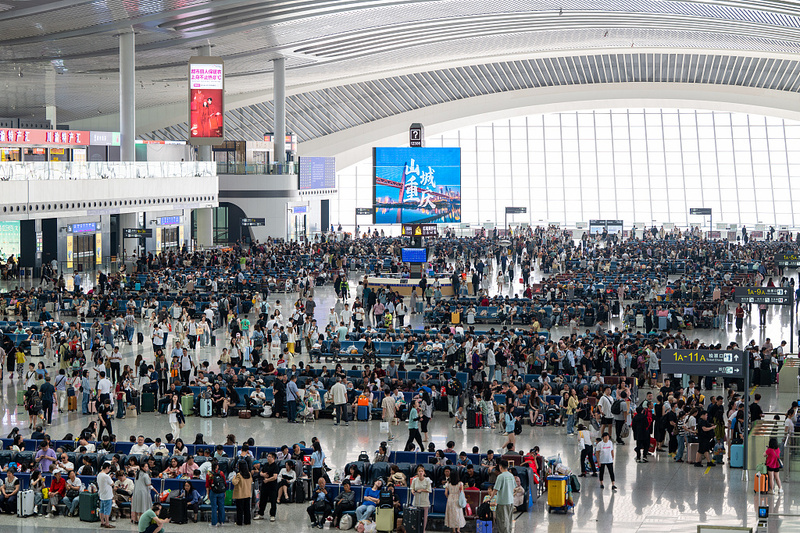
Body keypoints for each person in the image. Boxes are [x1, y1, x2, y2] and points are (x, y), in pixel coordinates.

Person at [254, 452, 279, 521]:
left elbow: (275, 477)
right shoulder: (265, 465)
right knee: (262, 500)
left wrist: (267, 480)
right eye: (267, 456)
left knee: (273, 501)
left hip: (272, 486)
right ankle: (261, 514)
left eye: (269, 456)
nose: (268, 458)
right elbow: (261, 472)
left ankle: (272, 515)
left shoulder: (275, 466)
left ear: (273, 458)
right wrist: (263, 475)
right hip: (264, 485)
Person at [493, 460, 514, 533]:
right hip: (510, 501)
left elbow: (496, 489)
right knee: (509, 520)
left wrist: (491, 498)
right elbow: (513, 488)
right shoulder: (511, 475)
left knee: (502, 521)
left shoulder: (500, 476)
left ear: (500, 466)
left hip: (502, 502)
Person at [410, 465, 432, 531]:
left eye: (422, 471)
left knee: (424, 517)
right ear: (417, 472)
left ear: (424, 472)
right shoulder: (414, 480)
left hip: (424, 500)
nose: (420, 473)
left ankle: (423, 530)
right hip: (417, 500)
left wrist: (422, 490)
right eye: (419, 471)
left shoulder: (427, 480)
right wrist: (412, 491)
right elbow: (412, 488)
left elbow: (429, 490)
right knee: (416, 517)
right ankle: (416, 529)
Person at [232, 460, 253, 526]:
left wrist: (233, 478)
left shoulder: (239, 474)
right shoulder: (249, 474)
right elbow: (251, 481)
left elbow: (235, 482)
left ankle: (239, 522)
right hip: (247, 493)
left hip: (240, 494)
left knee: (240, 509)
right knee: (247, 509)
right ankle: (247, 521)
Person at [208, 461, 228, 527]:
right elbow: (224, 483)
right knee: (221, 507)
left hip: (213, 492)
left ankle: (214, 523)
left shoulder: (209, 474)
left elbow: (207, 485)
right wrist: (224, 492)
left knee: (214, 508)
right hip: (221, 492)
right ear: (217, 466)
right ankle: (222, 521)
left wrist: (208, 494)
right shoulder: (221, 473)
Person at [97, 462, 115, 528]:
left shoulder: (99, 475)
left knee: (101, 509)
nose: (109, 470)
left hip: (102, 495)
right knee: (107, 510)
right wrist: (110, 477)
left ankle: (102, 522)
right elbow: (112, 483)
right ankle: (107, 523)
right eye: (109, 468)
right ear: (107, 468)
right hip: (107, 495)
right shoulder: (106, 476)